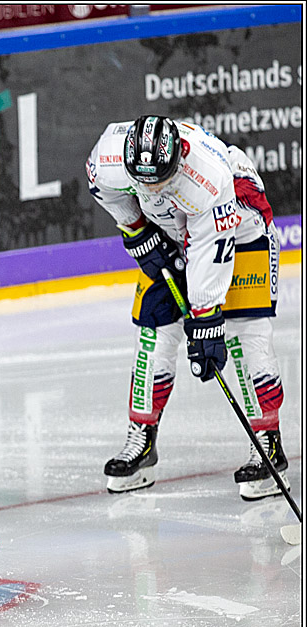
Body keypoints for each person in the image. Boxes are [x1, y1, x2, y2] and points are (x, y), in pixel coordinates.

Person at [86, 115, 287, 500]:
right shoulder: (110, 155)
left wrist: (207, 319)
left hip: (241, 231)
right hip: (171, 232)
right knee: (154, 329)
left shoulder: (209, 177)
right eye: (142, 180)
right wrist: (137, 230)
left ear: (178, 158)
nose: (150, 188)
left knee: (244, 333)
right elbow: (104, 189)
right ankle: (142, 439)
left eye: (159, 180)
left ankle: (268, 442)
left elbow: (212, 250)